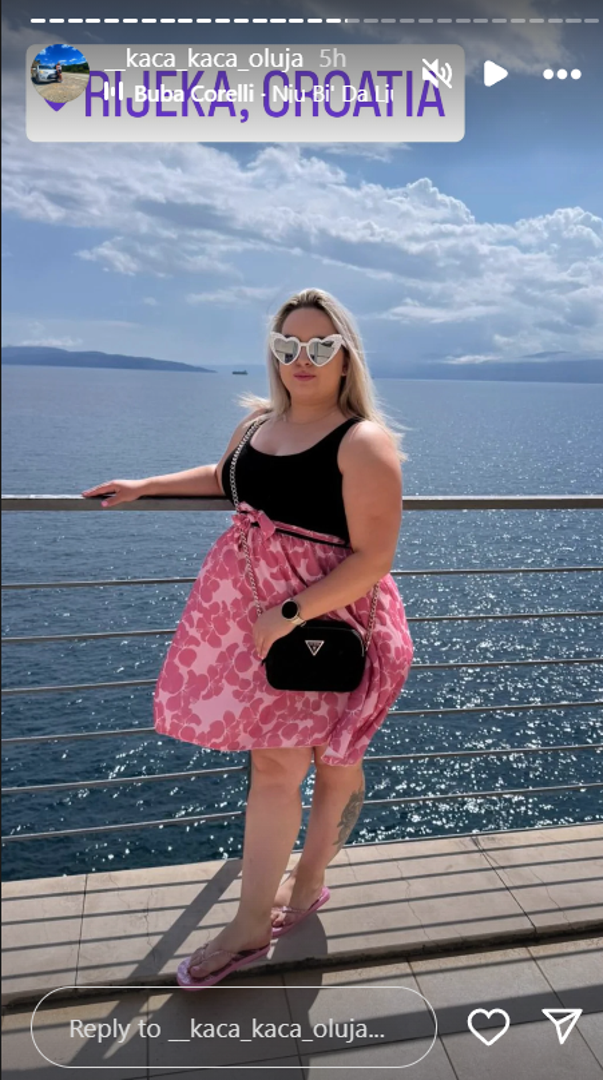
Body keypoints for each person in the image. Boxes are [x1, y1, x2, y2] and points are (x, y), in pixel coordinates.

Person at [81, 287, 414, 988]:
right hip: (259, 621)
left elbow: (373, 559)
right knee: (281, 765)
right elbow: (225, 479)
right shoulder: (258, 424)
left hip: (321, 620)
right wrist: (147, 484)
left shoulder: (362, 442)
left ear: (345, 354)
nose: (302, 357)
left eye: (320, 345)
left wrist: (288, 613)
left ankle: (281, 902)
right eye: (288, 344)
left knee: (322, 763)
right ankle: (273, 906)